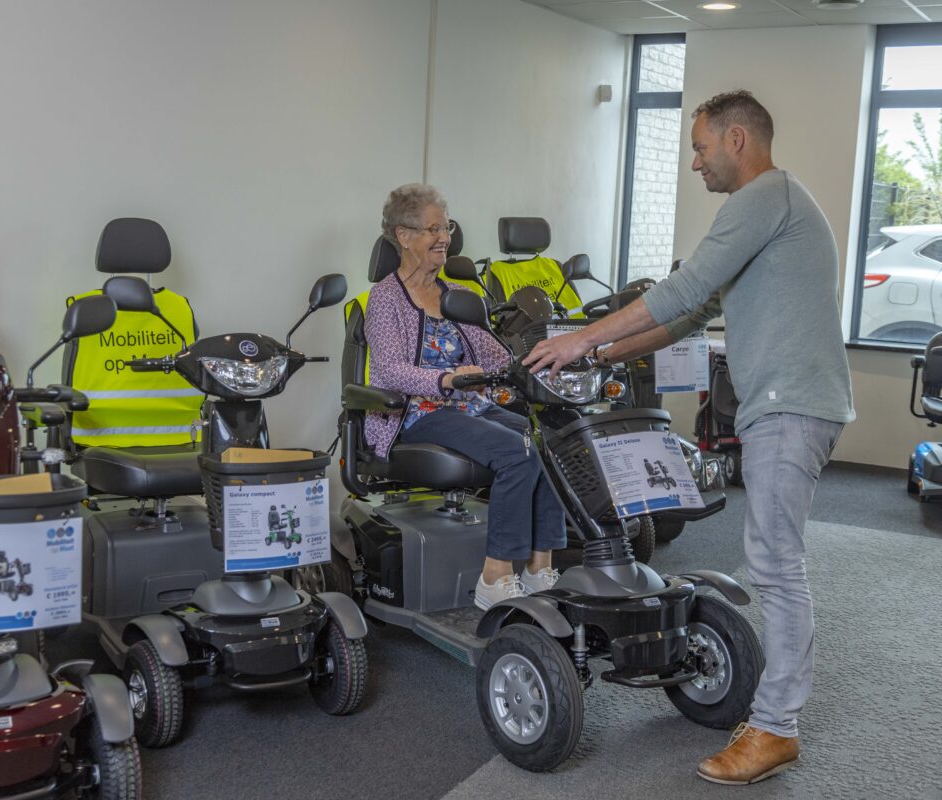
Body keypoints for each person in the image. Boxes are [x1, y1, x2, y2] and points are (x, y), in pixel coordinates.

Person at [524, 90, 854, 785]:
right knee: (774, 560)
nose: (695, 162)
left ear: (737, 139)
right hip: (791, 403)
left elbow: (682, 289)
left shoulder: (763, 198)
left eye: (701, 148)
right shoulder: (774, 208)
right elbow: (693, 312)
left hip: (789, 405)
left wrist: (578, 337)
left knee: (776, 567)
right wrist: (600, 354)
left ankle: (776, 728)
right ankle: (772, 719)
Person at [364, 183, 566, 610]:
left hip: (469, 405)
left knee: (547, 440)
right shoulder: (385, 299)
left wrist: (530, 357)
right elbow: (390, 370)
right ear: (403, 235)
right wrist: (447, 380)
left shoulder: (459, 295)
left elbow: (494, 354)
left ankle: (539, 567)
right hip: (415, 412)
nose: (444, 238)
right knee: (516, 452)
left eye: (447, 227)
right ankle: (495, 575)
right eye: (433, 229)